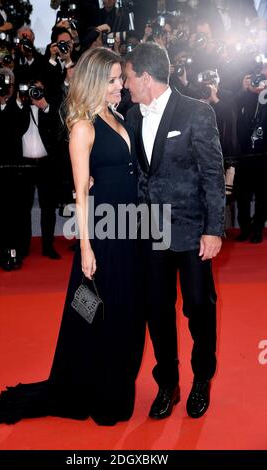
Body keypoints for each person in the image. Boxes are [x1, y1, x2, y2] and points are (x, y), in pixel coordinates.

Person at [0, 47, 145, 426]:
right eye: (113, 79)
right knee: (96, 313)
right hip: (102, 234)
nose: (120, 85)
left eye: (121, 78)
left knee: (124, 312)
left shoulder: (116, 115)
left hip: (129, 229)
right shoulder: (84, 127)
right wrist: (85, 247)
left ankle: (115, 383)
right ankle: (98, 391)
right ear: (95, 82)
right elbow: (82, 194)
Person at [125, 42, 225, 419]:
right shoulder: (132, 116)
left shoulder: (197, 112)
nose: (126, 86)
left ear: (145, 77)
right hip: (150, 232)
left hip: (191, 231)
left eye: (130, 78)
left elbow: (213, 175)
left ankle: (202, 379)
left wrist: (214, 229)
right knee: (157, 312)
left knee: (199, 308)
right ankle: (167, 383)